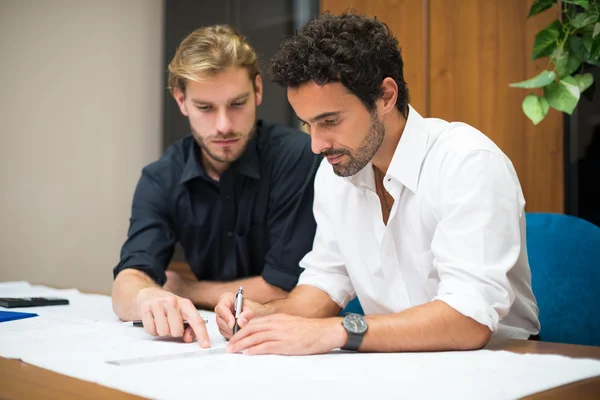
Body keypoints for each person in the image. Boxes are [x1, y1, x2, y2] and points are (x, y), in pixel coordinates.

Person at [215, 12, 540, 355]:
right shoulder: (334, 173)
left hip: (499, 366)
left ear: (385, 96)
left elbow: (469, 320)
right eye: (308, 125)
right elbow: (325, 282)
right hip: (391, 364)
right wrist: (264, 315)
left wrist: (337, 331)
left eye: (330, 121)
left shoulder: (467, 162)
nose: (317, 144)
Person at [111, 25, 321, 347]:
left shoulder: (298, 157)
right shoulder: (161, 177)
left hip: (290, 337)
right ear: (181, 100)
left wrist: (185, 290)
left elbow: (282, 288)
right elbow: (129, 277)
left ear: (258, 91)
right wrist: (146, 298)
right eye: (206, 108)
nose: (224, 125)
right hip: (211, 344)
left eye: (237, 104)